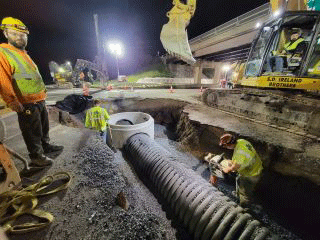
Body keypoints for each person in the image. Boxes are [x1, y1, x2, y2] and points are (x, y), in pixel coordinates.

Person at [0, 17, 63, 167]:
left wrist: (43, 94)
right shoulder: (4, 53)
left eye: (23, 35)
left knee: (43, 128)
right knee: (32, 131)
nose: (20, 37)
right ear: (6, 34)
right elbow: (3, 80)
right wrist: (12, 101)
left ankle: (45, 147)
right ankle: (36, 156)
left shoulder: (23, 54)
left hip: (39, 99)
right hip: (26, 102)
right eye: (15, 34)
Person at [218, 133, 263, 207]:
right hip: (256, 166)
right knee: (239, 179)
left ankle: (244, 206)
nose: (225, 148)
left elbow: (234, 168)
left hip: (251, 175)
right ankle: (238, 193)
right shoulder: (241, 141)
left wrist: (225, 170)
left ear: (229, 145)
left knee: (245, 193)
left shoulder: (238, 155)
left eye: (225, 146)